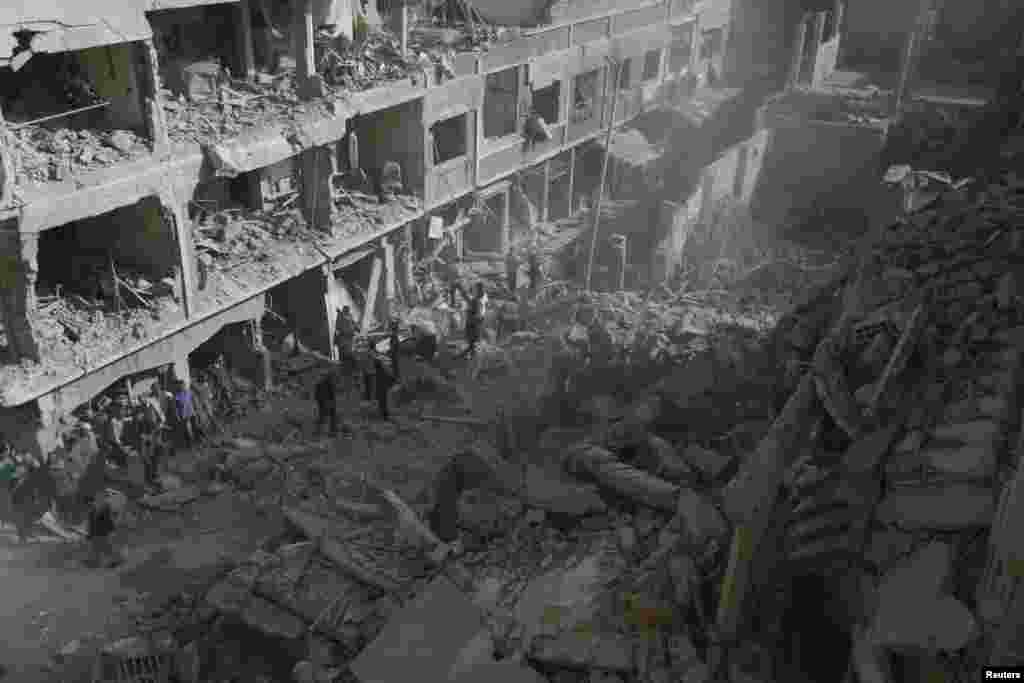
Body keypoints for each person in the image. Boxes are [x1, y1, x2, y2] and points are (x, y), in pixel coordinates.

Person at [86, 491, 121, 568]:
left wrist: (112, 530)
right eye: (97, 498)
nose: (98, 500)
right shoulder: (92, 510)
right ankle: (95, 562)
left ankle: (116, 560)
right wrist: (89, 533)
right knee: (96, 547)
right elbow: (91, 523)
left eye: (101, 498)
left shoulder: (106, 508)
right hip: (96, 532)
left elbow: (109, 520)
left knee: (106, 547)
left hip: (104, 532)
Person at [458, 282, 486, 359]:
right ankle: (467, 355)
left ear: (478, 290)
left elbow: (479, 315)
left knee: (473, 344)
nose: (473, 290)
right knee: (472, 344)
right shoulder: (477, 299)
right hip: (474, 325)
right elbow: (468, 299)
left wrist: (472, 318)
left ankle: (470, 357)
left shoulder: (478, 301)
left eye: (475, 288)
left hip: (474, 325)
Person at [314, 371, 339, 436]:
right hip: (326, 402)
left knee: (323, 417)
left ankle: (319, 431)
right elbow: (332, 394)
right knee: (329, 417)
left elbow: (316, 395)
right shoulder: (328, 383)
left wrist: (320, 402)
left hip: (324, 402)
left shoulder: (320, 384)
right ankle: (330, 431)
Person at [174, 380, 198, 448]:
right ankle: (189, 443)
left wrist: (196, 409)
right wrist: (178, 415)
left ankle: (197, 440)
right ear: (179, 386)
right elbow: (177, 406)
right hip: (184, 414)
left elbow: (194, 400)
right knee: (187, 429)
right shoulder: (177, 395)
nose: (182, 386)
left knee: (194, 426)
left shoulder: (189, 392)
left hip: (191, 411)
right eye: (181, 385)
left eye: (183, 385)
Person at [388, 318, 402, 384]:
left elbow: (394, 348)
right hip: (395, 357)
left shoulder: (394, 337)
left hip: (396, 357)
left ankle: (397, 379)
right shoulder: (394, 337)